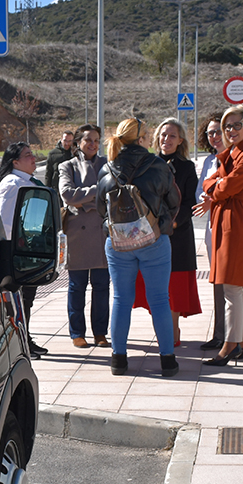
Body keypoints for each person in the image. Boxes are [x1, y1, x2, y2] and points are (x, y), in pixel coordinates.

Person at [94, 118, 180, 377]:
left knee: (121, 299)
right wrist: (161, 222)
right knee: (160, 300)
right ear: (141, 138)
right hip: (153, 240)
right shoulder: (158, 165)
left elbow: (100, 208)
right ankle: (167, 361)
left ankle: (118, 360)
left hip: (118, 243)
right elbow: (173, 201)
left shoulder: (107, 167)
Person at [196, 105, 243, 366]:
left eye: (236, 125)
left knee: (231, 285)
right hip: (225, 218)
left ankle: (230, 344)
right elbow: (210, 183)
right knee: (231, 284)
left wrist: (215, 188)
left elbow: (225, 187)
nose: (231, 130)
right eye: (227, 126)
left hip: (236, 221)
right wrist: (216, 187)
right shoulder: (233, 153)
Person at [0, 141, 48, 357]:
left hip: (25, 248)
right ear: (15, 161)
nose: (33, 158)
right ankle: (20, 342)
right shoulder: (12, 184)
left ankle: (25, 338)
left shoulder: (24, 182)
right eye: (28, 155)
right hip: (15, 251)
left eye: (33, 154)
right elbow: (3, 221)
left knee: (27, 299)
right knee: (20, 300)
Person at [57, 123, 109, 349]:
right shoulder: (67, 166)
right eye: (88, 140)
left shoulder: (107, 164)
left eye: (96, 140)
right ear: (78, 142)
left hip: (102, 232)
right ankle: (77, 332)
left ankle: (100, 332)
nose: (93, 144)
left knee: (102, 287)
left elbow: (114, 193)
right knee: (77, 286)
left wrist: (84, 201)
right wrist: (98, 191)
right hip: (77, 233)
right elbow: (68, 195)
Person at [154, 118, 201, 346]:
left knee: (173, 287)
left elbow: (191, 202)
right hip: (151, 235)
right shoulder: (149, 164)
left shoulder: (186, 167)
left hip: (177, 234)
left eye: (172, 135)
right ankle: (164, 329)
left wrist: (171, 224)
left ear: (180, 140)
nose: (167, 139)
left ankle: (171, 330)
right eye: (163, 135)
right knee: (155, 286)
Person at [45, 130, 75, 195]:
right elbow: (48, 173)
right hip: (56, 191)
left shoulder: (75, 154)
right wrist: (47, 191)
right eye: (65, 140)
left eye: (69, 141)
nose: (67, 143)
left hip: (72, 190)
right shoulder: (52, 154)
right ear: (61, 139)